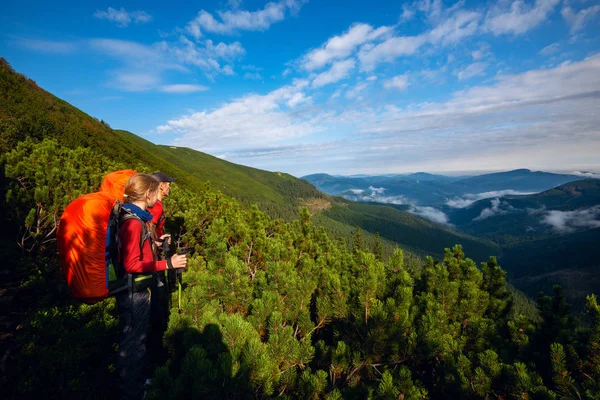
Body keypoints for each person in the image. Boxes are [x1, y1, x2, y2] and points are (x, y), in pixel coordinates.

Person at [116, 173, 187, 400]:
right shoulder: (133, 222)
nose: (159, 196)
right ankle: (134, 392)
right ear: (148, 193)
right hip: (133, 291)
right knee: (134, 342)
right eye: (156, 191)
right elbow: (131, 263)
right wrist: (167, 263)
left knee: (136, 338)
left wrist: (153, 241)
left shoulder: (134, 217)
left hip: (135, 288)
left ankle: (138, 382)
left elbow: (135, 250)